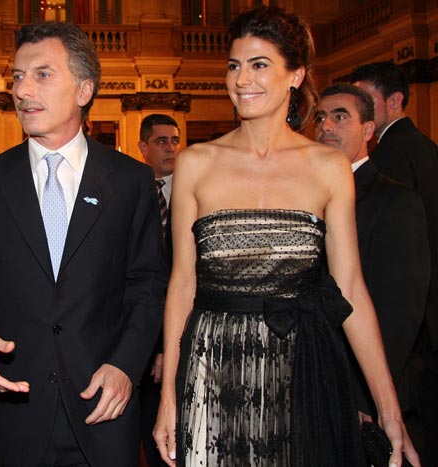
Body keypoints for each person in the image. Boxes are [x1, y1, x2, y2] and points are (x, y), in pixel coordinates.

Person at [153, 6, 419, 467]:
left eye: (259, 64)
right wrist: (169, 397)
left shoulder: (329, 168)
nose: (242, 79)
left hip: (302, 367)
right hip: (213, 366)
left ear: (295, 75)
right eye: (234, 65)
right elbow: (182, 285)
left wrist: (389, 411)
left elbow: (350, 289)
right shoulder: (196, 163)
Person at [0, 22, 167, 467]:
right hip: (16, 412)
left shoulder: (130, 181)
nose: (22, 90)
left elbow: (147, 286)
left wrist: (125, 366)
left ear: (84, 89)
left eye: (42, 74)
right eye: (17, 76)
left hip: (103, 409)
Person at [314, 83, 430, 423]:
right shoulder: (305, 196)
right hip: (314, 379)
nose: (326, 126)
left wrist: (369, 397)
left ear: (368, 130)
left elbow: (401, 310)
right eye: (320, 117)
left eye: (340, 117)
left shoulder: (395, 201)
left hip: (362, 392)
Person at [351, 62, 438, 466]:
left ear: (395, 100)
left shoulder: (388, 157)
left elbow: (391, 276)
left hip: (402, 336)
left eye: (365, 101)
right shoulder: (427, 147)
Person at [138, 114, 181, 467]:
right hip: (142, 330)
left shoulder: (191, 188)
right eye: (161, 141)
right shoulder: (131, 190)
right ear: (143, 147)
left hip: (183, 326)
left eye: (175, 140)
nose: (171, 148)